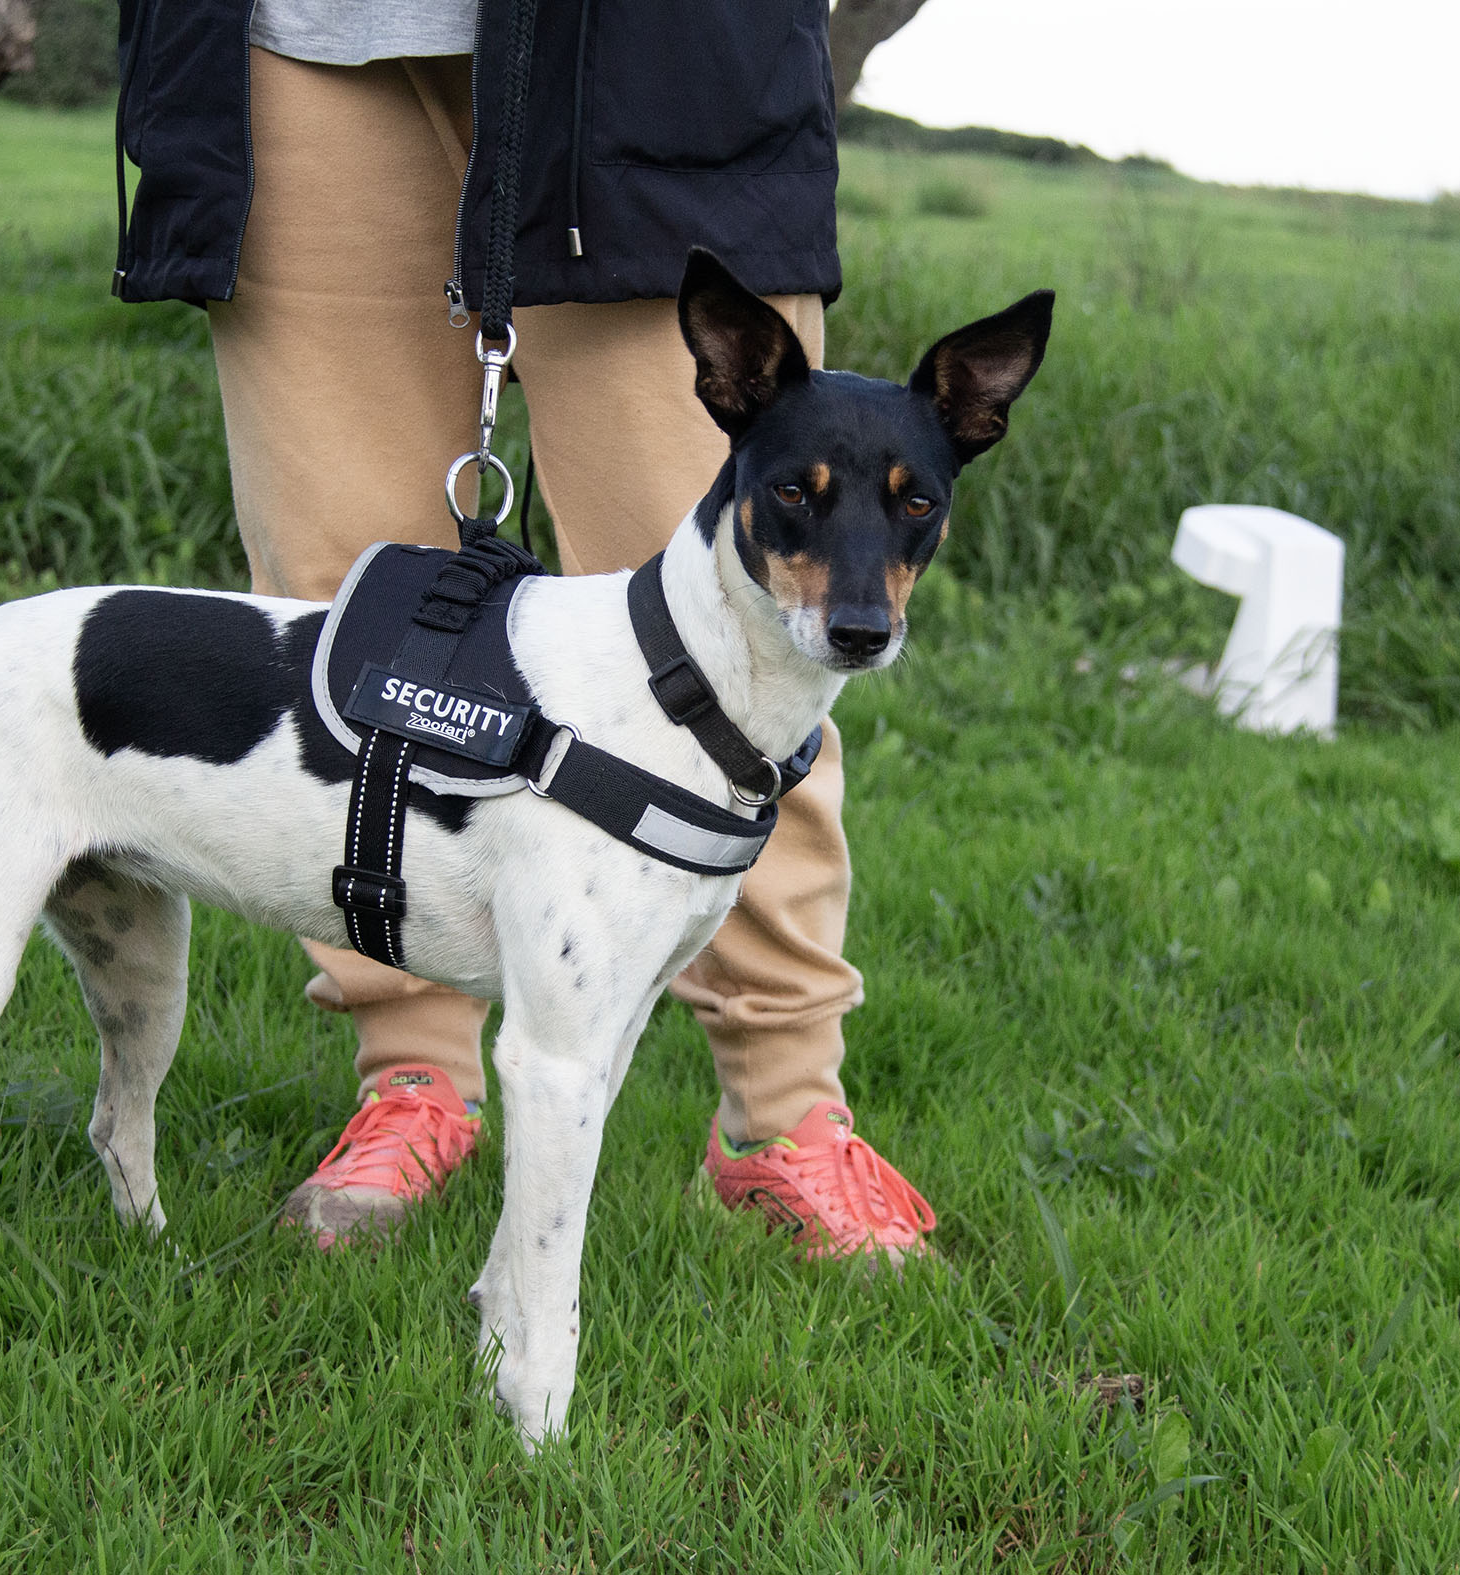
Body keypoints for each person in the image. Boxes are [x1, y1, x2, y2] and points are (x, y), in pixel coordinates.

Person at [111, 0, 935, 1260]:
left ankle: (781, 1113)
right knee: (354, 615)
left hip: (655, 50)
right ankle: (412, 1077)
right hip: (308, 34)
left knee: (746, 651)